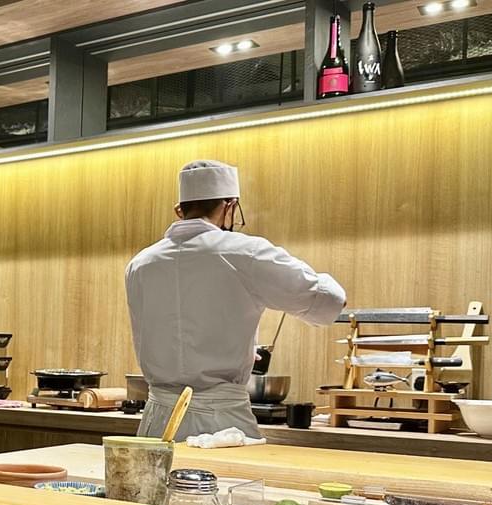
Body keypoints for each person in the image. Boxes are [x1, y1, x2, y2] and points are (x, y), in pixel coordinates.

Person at [125, 160, 345, 440]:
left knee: (155, 483)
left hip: (158, 421)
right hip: (223, 424)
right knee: (231, 485)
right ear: (229, 206)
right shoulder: (245, 252)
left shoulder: (140, 264)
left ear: (179, 211)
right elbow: (330, 300)